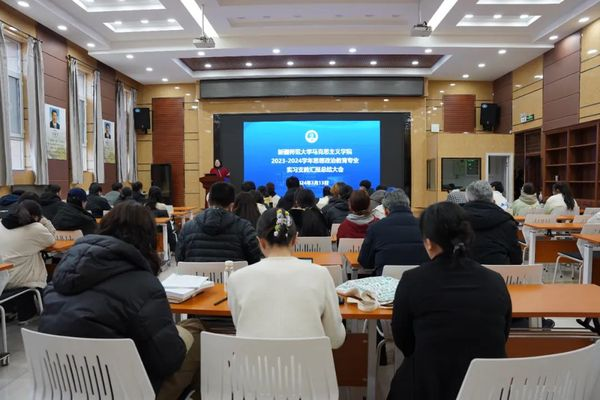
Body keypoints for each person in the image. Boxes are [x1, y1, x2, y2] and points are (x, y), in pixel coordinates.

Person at [39, 202, 201, 399]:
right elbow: (167, 361)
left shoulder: (57, 279)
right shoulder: (143, 286)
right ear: (148, 239)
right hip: (123, 391)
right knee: (197, 333)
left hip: (64, 389)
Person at [388, 201, 511, 400]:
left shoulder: (412, 280)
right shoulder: (495, 280)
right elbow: (502, 335)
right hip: (487, 389)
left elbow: (404, 341)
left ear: (428, 242)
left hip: (429, 386)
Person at [228, 208, 345, 349]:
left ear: (260, 242)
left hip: (252, 362)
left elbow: (240, 326)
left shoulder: (236, 279)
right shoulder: (321, 274)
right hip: (308, 362)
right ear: (295, 239)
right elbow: (335, 340)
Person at [177, 182, 262, 264]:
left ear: (209, 202)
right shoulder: (244, 228)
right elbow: (255, 259)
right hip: (234, 273)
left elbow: (179, 259)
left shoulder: (187, 228)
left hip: (196, 274)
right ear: (231, 206)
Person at [0, 200, 56, 322]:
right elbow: (52, 239)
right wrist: (44, 221)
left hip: (2, 278)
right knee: (37, 260)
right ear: (36, 216)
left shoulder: (1, 224)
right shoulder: (36, 228)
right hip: (21, 279)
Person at [359, 190, 429, 276]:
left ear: (386, 210)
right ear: (408, 206)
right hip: (418, 279)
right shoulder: (425, 226)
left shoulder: (375, 228)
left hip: (385, 281)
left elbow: (365, 262)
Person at [463, 181, 522, 264]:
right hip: (499, 271)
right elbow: (517, 260)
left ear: (467, 200)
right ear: (492, 200)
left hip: (463, 270)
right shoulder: (507, 223)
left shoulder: (456, 221)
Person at [146, 187, 176, 251]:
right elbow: (169, 224)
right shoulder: (162, 206)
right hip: (161, 233)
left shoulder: (145, 206)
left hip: (148, 234)